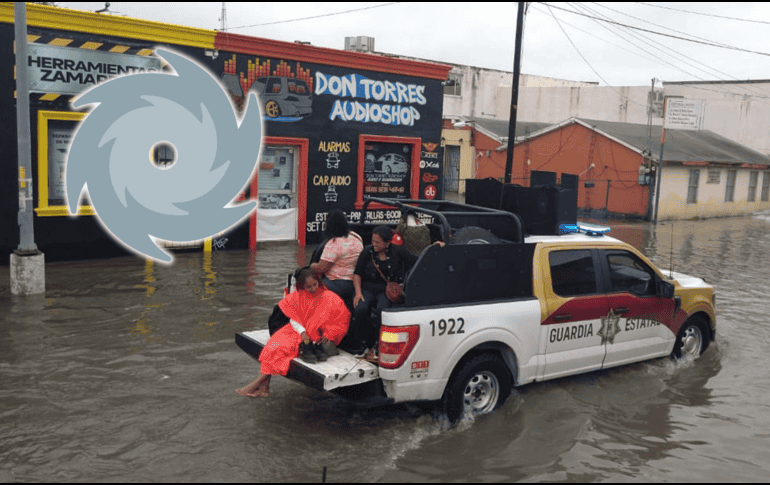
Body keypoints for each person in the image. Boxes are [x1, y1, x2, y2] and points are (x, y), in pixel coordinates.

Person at [236, 269, 350, 398]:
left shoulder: (331, 298)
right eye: (308, 287)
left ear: (319, 282)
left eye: (315, 285)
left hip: (316, 336)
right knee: (272, 347)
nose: (312, 288)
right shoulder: (298, 295)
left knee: (281, 350)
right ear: (301, 286)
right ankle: (263, 387)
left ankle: (258, 385)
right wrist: (302, 332)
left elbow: (341, 319)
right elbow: (294, 317)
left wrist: (329, 334)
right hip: (298, 331)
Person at [351, 226, 419, 359]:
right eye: (373, 241)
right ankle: (361, 344)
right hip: (367, 287)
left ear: (387, 243)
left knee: (382, 311)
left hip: (385, 290)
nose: (374, 245)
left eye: (377, 242)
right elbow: (357, 274)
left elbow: (418, 260)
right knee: (360, 308)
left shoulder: (398, 251)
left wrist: (435, 246)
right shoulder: (367, 252)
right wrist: (358, 293)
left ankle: (379, 344)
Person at [309, 210, 363, 307]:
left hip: (336, 284)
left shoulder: (333, 244)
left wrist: (312, 265)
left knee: (308, 286)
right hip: (356, 283)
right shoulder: (356, 237)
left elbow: (321, 268)